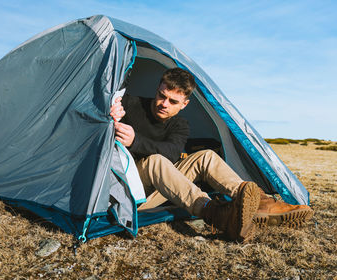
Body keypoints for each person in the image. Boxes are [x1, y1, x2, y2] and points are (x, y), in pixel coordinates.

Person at [110, 67, 313, 242]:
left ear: (184, 104)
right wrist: (111, 110)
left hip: (161, 188)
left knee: (206, 155)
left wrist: (136, 141)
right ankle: (215, 213)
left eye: (173, 101)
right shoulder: (130, 104)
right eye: (162, 96)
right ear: (157, 90)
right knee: (155, 161)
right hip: (129, 191)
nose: (164, 103)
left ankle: (260, 203)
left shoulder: (180, 125)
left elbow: (172, 152)